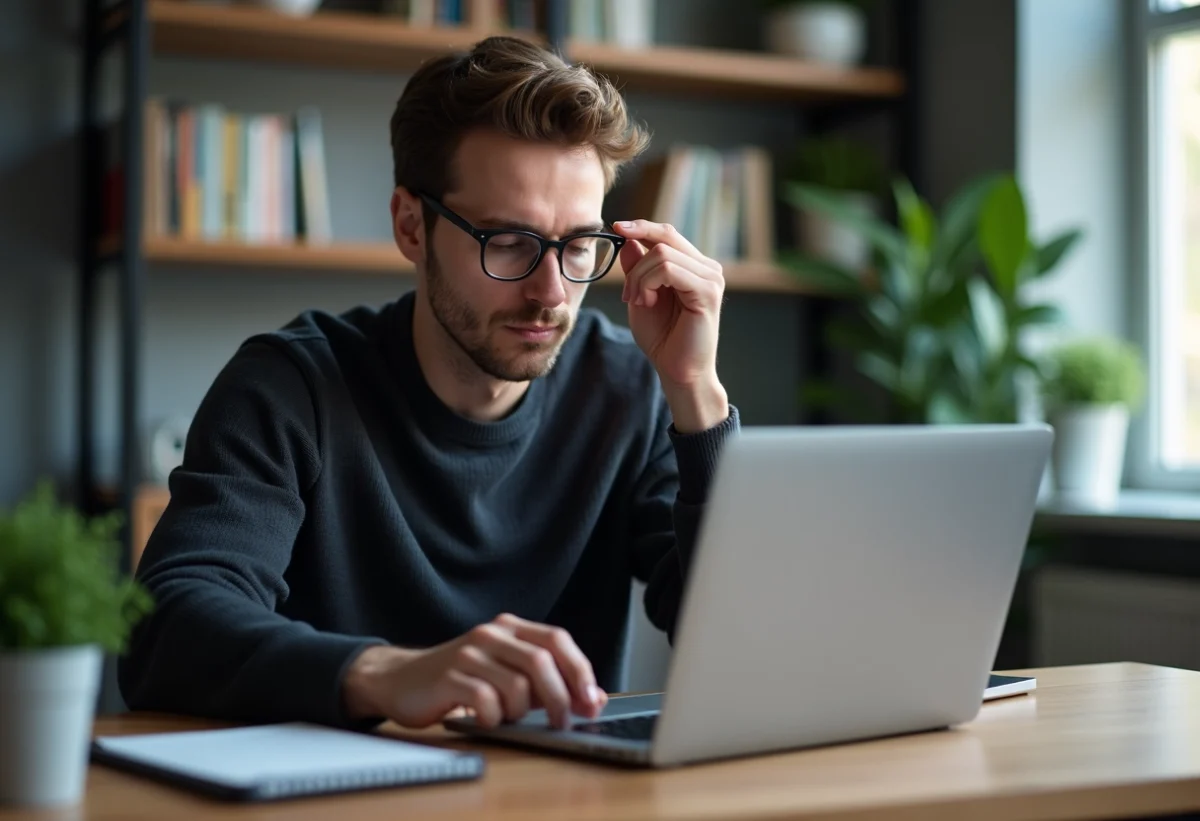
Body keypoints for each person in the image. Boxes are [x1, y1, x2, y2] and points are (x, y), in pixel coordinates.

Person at [118, 35, 738, 733]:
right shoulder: (291, 387)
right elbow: (165, 627)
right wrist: (387, 672)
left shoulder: (629, 388)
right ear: (411, 226)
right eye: (507, 241)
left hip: (562, 796)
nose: (552, 292)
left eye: (579, 244)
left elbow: (744, 645)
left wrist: (698, 395)